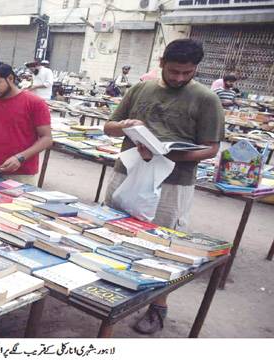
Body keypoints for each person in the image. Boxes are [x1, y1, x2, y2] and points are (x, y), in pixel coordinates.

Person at [102, 39, 224, 335]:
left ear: (196, 68)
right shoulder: (140, 89)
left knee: (160, 248)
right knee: (113, 234)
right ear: (161, 63)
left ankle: (158, 306)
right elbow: (109, 126)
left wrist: (168, 153)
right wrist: (126, 125)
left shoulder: (207, 99)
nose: (180, 78)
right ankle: (111, 293)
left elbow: (211, 149)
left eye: (187, 73)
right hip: (127, 171)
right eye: (174, 72)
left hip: (173, 182)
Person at [0, 62, 53, 185]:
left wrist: (20, 157)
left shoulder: (35, 103)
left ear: (10, 78)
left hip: (22, 172)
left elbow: (46, 138)